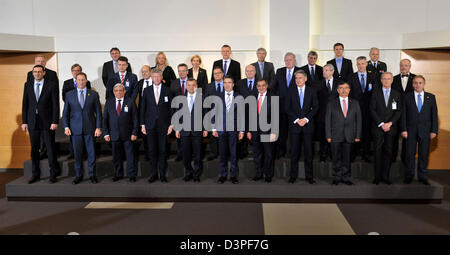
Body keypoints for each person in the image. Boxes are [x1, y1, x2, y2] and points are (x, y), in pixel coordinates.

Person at [21, 65, 60, 184]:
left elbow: (55, 104)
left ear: (43, 73)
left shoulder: (51, 85)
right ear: (32, 73)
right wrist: (24, 121)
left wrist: (55, 121)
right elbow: (25, 104)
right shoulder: (27, 85)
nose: (37, 74)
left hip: (47, 122)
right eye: (35, 72)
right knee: (34, 149)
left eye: (39, 72)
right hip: (32, 122)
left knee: (50, 148)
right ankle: (35, 174)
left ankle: (53, 173)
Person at [62, 72, 102, 184]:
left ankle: (92, 175)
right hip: (75, 130)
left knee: (91, 154)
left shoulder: (93, 94)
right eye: (78, 80)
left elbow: (98, 113)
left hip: (90, 129)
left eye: (83, 79)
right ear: (76, 81)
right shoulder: (69, 95)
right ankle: (78, 175)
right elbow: (65, 113)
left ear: (86, 80)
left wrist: (98, 127)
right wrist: (66, 127)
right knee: (77, 154)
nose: (81, 82)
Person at [401, 75, 438, 185]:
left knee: (423, 154)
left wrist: (434, 131)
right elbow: (403, 115)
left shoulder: (431, 97)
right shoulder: (407, 97)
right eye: (416, 83)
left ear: (424, 84)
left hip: (426, 131)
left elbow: (434, 116)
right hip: (410, 131)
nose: (418, 85)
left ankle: (422, 176)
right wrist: (403, 129)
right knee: (409, 154)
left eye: (420, 83)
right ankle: (409, 175)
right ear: (413, 84)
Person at [140, 69, 173, 183]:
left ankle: (162, 175)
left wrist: (171, 125)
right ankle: (153, 174)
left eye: (158, 76)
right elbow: (142, 108)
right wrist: (142, 124)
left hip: (164, 126)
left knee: (163, 150)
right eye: (154, 76)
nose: (157, 78)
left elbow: (171, 109)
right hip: (150, 125)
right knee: (152, 150)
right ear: (151, 78)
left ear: (161, 77)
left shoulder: (168, 90)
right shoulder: (146, 90)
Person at [285, 70, 319, 184]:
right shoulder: (290, 91)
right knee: (294, 153)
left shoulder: (312, 91)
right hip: (294, 126)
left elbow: (315, 107)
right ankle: (292, 176)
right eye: (296, 78)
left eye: (300, 78)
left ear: (305, 79)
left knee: (308, 153)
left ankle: (309, 177)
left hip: (308, 126)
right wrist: (297, 120)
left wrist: (305, 119)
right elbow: (287, 108)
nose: (298, 80)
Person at [325, 81, 362, 185]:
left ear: (349, 90)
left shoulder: (355, 103)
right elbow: (328, 120)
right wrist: (328, 135)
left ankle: (345, 177)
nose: (344, 90)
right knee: (336, 157)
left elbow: (358, 120)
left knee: (347, 158)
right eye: (341, 88)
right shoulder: (331, 103)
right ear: (337, 90)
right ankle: (336, 177)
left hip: (350, 135)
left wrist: (358, 135)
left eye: (346, 88)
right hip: (335, 135)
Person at [369, 72, 402, 185]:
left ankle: (386, 176)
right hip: (378, 127)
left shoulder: (396, 94)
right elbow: (372, 110)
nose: (386, 81)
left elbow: (398, 111)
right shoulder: (375, 93)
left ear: (392, 80)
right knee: (377, 152)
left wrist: (390, 123)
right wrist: (381, 123)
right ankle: (377, 177)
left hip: (391, 128)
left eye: (388, 79)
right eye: (384, 79)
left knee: (388, 152)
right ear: (381, 80)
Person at [103, 83, 139, 183]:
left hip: (128, 135)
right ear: (114, 92)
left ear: (124, 91)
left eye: (120, 90)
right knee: (116, 157)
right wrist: (105, 133)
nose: (118, 92)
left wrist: (134, 132)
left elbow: (135, 119)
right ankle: (118, 174)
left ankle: (132, 175)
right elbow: (105, 119)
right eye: (116, 90)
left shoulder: (130, 101)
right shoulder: (109, 102)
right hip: (114, 135)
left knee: (130, 156)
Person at [212, 76, 245, 184]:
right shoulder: (218, 96)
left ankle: (234, 176)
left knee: (234, 154)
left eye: (229, 82)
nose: (227, 84)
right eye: (225, 82)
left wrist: (242, 131)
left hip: (234, 130)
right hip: (221, 129)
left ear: (233, 84)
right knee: (222, 154)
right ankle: (223, 175)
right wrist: (213, 128)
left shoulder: (239, 97)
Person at [26, 54, 59, 160]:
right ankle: (36, 171)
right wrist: (24, 121)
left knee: (49, 143)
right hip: (34, 117)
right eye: (38, 61)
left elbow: (55, 99)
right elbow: (28, 99)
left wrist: (55, 119)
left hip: (47, 116)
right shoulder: (29, 76)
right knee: (35, 146)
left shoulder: (52, 75)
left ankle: (53, 170)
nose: (40, 63)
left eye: (41, 61)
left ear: (45, 63)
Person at [174, 78, 207, 182]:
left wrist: (205, 129)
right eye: (189, 85)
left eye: (193, 85)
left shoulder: (202, 98)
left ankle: (197, 174)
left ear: (196, 86)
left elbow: (205, 114)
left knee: (198, 154)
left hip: (197, 131)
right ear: (186, 86)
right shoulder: (180, 98)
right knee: (186, 154)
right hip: (184, 131)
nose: (191, 87)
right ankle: (188, 173)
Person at [349, 56, 378, 162]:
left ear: (366, 64)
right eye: (359, 64)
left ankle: (366, 154)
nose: (361, 66)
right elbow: (349, 94)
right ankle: (353, 153)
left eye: (362, 63)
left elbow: (375, 94)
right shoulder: (351, 77)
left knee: (366, 132)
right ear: (356, 65)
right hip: (355, 110)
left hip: (368, 110)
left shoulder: (373, 76)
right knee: (354, 132)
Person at [271, 52, 300, 158]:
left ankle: (294, 152)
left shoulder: (300, 71)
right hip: (281, 107)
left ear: (294, 60)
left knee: (294, 131)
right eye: (286, 60)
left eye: (290, 60)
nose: (288, 62)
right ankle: (281, 152)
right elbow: (273, 88)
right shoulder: (279, 71)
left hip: (295, 107)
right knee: (282, 131)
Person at [247, 79, 276, 183]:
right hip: (255, 131)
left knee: (268, 154)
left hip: (268, 131)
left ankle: (268, 175)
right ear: (256, 87)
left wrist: (274, 132)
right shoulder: (253, 98)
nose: (261, 87)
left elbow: (276, 117)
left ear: (267, 86)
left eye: (263, 85)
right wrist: (249, 131)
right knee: (257, 154)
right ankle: (258, 174)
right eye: (259, 86)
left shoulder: (273, 98)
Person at [62, 64, 92, 159]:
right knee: (73, 135)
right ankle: (73, 153)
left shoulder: (87, 82)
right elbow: (64, 96)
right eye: (74, 70)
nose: (76, 72)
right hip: (72, 112)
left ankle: (85, 153)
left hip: (84, 112)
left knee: (85, 134)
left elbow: (88, 96)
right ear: (72, 72)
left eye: (78, 70)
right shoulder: (67, 83)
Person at [391, 59, 416, 163]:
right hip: (396, 111)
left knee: (408, 136)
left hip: (410, 113)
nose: (404, 67)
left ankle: (406, 158)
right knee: (394, 135)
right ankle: (393, 157)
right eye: (402, 65)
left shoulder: (415, 78)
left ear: (410, 66)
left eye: (406, 65)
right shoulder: (394, 78)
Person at [314, 64, 340, 162]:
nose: (324, 72)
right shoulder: (318, 84)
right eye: (323, 70)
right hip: (322, 115)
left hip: (335, 116)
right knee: (322, 136)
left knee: (334, 136)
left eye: (326, 70)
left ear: (332, 71)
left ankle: (333, 155)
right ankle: (323, 154)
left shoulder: (339, 83)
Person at [236, 65, 258, 159]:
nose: (249, 72)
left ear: (255, 72)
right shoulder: (240, 82)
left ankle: (256, 152)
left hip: (256, 111)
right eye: (247, 71)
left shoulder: (260, 82)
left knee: (255, 132)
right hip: (243, 111)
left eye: (251, 71)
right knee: (243, 131)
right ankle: (243, 152)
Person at [170, 63, 190, 161]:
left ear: (187, 71)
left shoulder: (192, 82)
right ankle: (180, 154)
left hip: (190, 113)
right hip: (177, 113)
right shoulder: (174, 83)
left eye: (183, 71)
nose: (181, 73)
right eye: (180, 71)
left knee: (190, 135)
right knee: (179, 135)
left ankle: (191, 154)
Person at [204, 67, 225, 161]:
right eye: (215, 73)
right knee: (213, 135)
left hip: (224, 114)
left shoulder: (227, 84)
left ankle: (224, 153)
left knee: (224, 135)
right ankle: (214, 153)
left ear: (223, 74)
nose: (217, 75)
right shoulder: (209, 86)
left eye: (219, 73)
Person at [136, 65, 153, 160]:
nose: (144, 73)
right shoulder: (140, 83)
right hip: (143, 113)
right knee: (145, 135)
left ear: (150, 72)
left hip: (153, 113)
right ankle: (148, 155)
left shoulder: (155, 82)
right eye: (142, 72)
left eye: (146, 71)